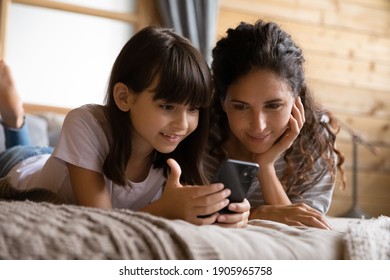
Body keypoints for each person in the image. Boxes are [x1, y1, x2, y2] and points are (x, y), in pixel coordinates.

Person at [0, 26, 249, 227]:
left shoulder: (177, 151)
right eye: (167, 106)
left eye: (193, 109)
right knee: (25, 150)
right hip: (21, 165)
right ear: (123, 97)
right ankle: (15, 119)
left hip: (54, 160)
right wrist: (165, 209)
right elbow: (100, 223)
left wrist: (227, 214)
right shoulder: (85, 121)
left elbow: (189, 209)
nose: (183, 125)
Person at [205, 20, 346, 230]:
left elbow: (303, 225)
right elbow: (191, 212)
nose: (259, 126)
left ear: (295, 100)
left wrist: (265, 166)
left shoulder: (315, 144)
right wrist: (259, 213)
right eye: (241, 107)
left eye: (273, 106)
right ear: (223, 102)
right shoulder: (202, 134)